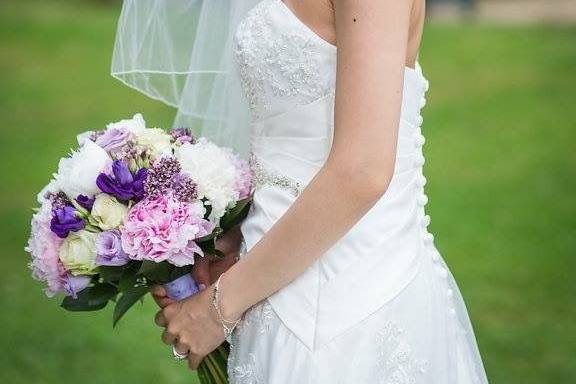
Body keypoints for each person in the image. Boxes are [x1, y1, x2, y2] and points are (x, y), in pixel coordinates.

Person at [115, 0, 489, 382]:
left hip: (353, 300)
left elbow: (363, 170)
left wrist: (216, 310)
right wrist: (238, 234)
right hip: (269, 274)